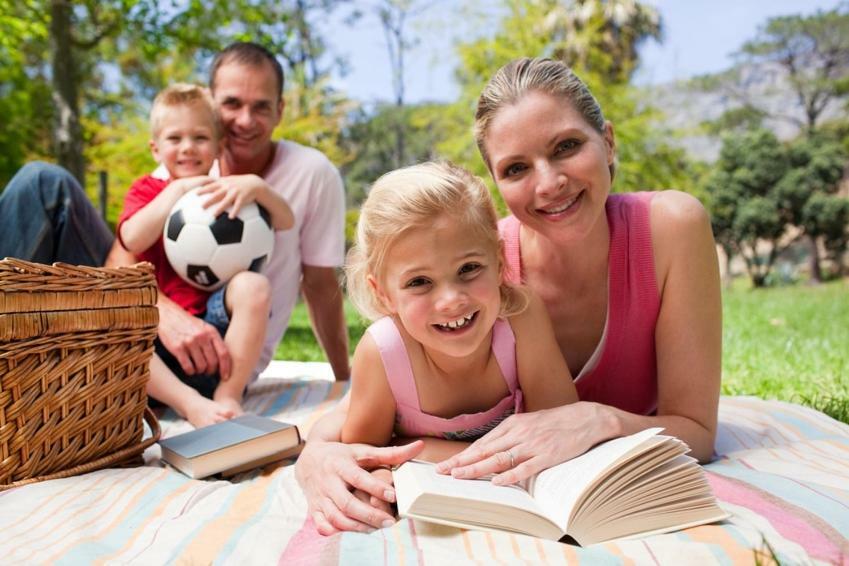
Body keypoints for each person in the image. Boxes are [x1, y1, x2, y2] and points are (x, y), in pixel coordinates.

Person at [295, 56, 721, 535]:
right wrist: (315, 456)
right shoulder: (474, 267)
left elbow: (698, 432)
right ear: (496, 183)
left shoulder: (670, 229)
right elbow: (384, 388)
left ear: (608, 141)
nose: (548, 182)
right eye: (516, 167)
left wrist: (595, 419)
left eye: (567, 146)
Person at [0, 41, 351, 391]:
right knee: (43, 183)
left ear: (279, 110)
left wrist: (343, 380)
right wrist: (163, 312)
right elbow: (121, 257)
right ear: (212, 103)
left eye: (260, 107)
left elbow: (320, 285)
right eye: (231, 103)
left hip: (223, 350)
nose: (245, 120)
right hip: (143, 320)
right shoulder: (185, 163)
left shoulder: (311, 173)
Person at [341, 162, 577, 480]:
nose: (451, 300)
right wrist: (470, 459)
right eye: (419, 282)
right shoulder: (384, 352)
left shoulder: (520, 318)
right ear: (382, 293)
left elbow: (563, 427)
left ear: (498, 261)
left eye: (468, 268)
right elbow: (364, 459)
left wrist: (415, 448)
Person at [118, 83, 294, 427]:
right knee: (119, 316)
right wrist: (177, 191)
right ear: (155, 149)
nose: (187, 148)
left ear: (218, 147)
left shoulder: (227, 191)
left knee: (253, 285)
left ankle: (228, 396)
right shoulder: (146, 190)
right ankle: (190, 405)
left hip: (218, 341)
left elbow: (285, 220)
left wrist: (257, 187)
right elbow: (131, 237)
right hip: (154, 355)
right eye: (174, 139)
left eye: (200, 138)